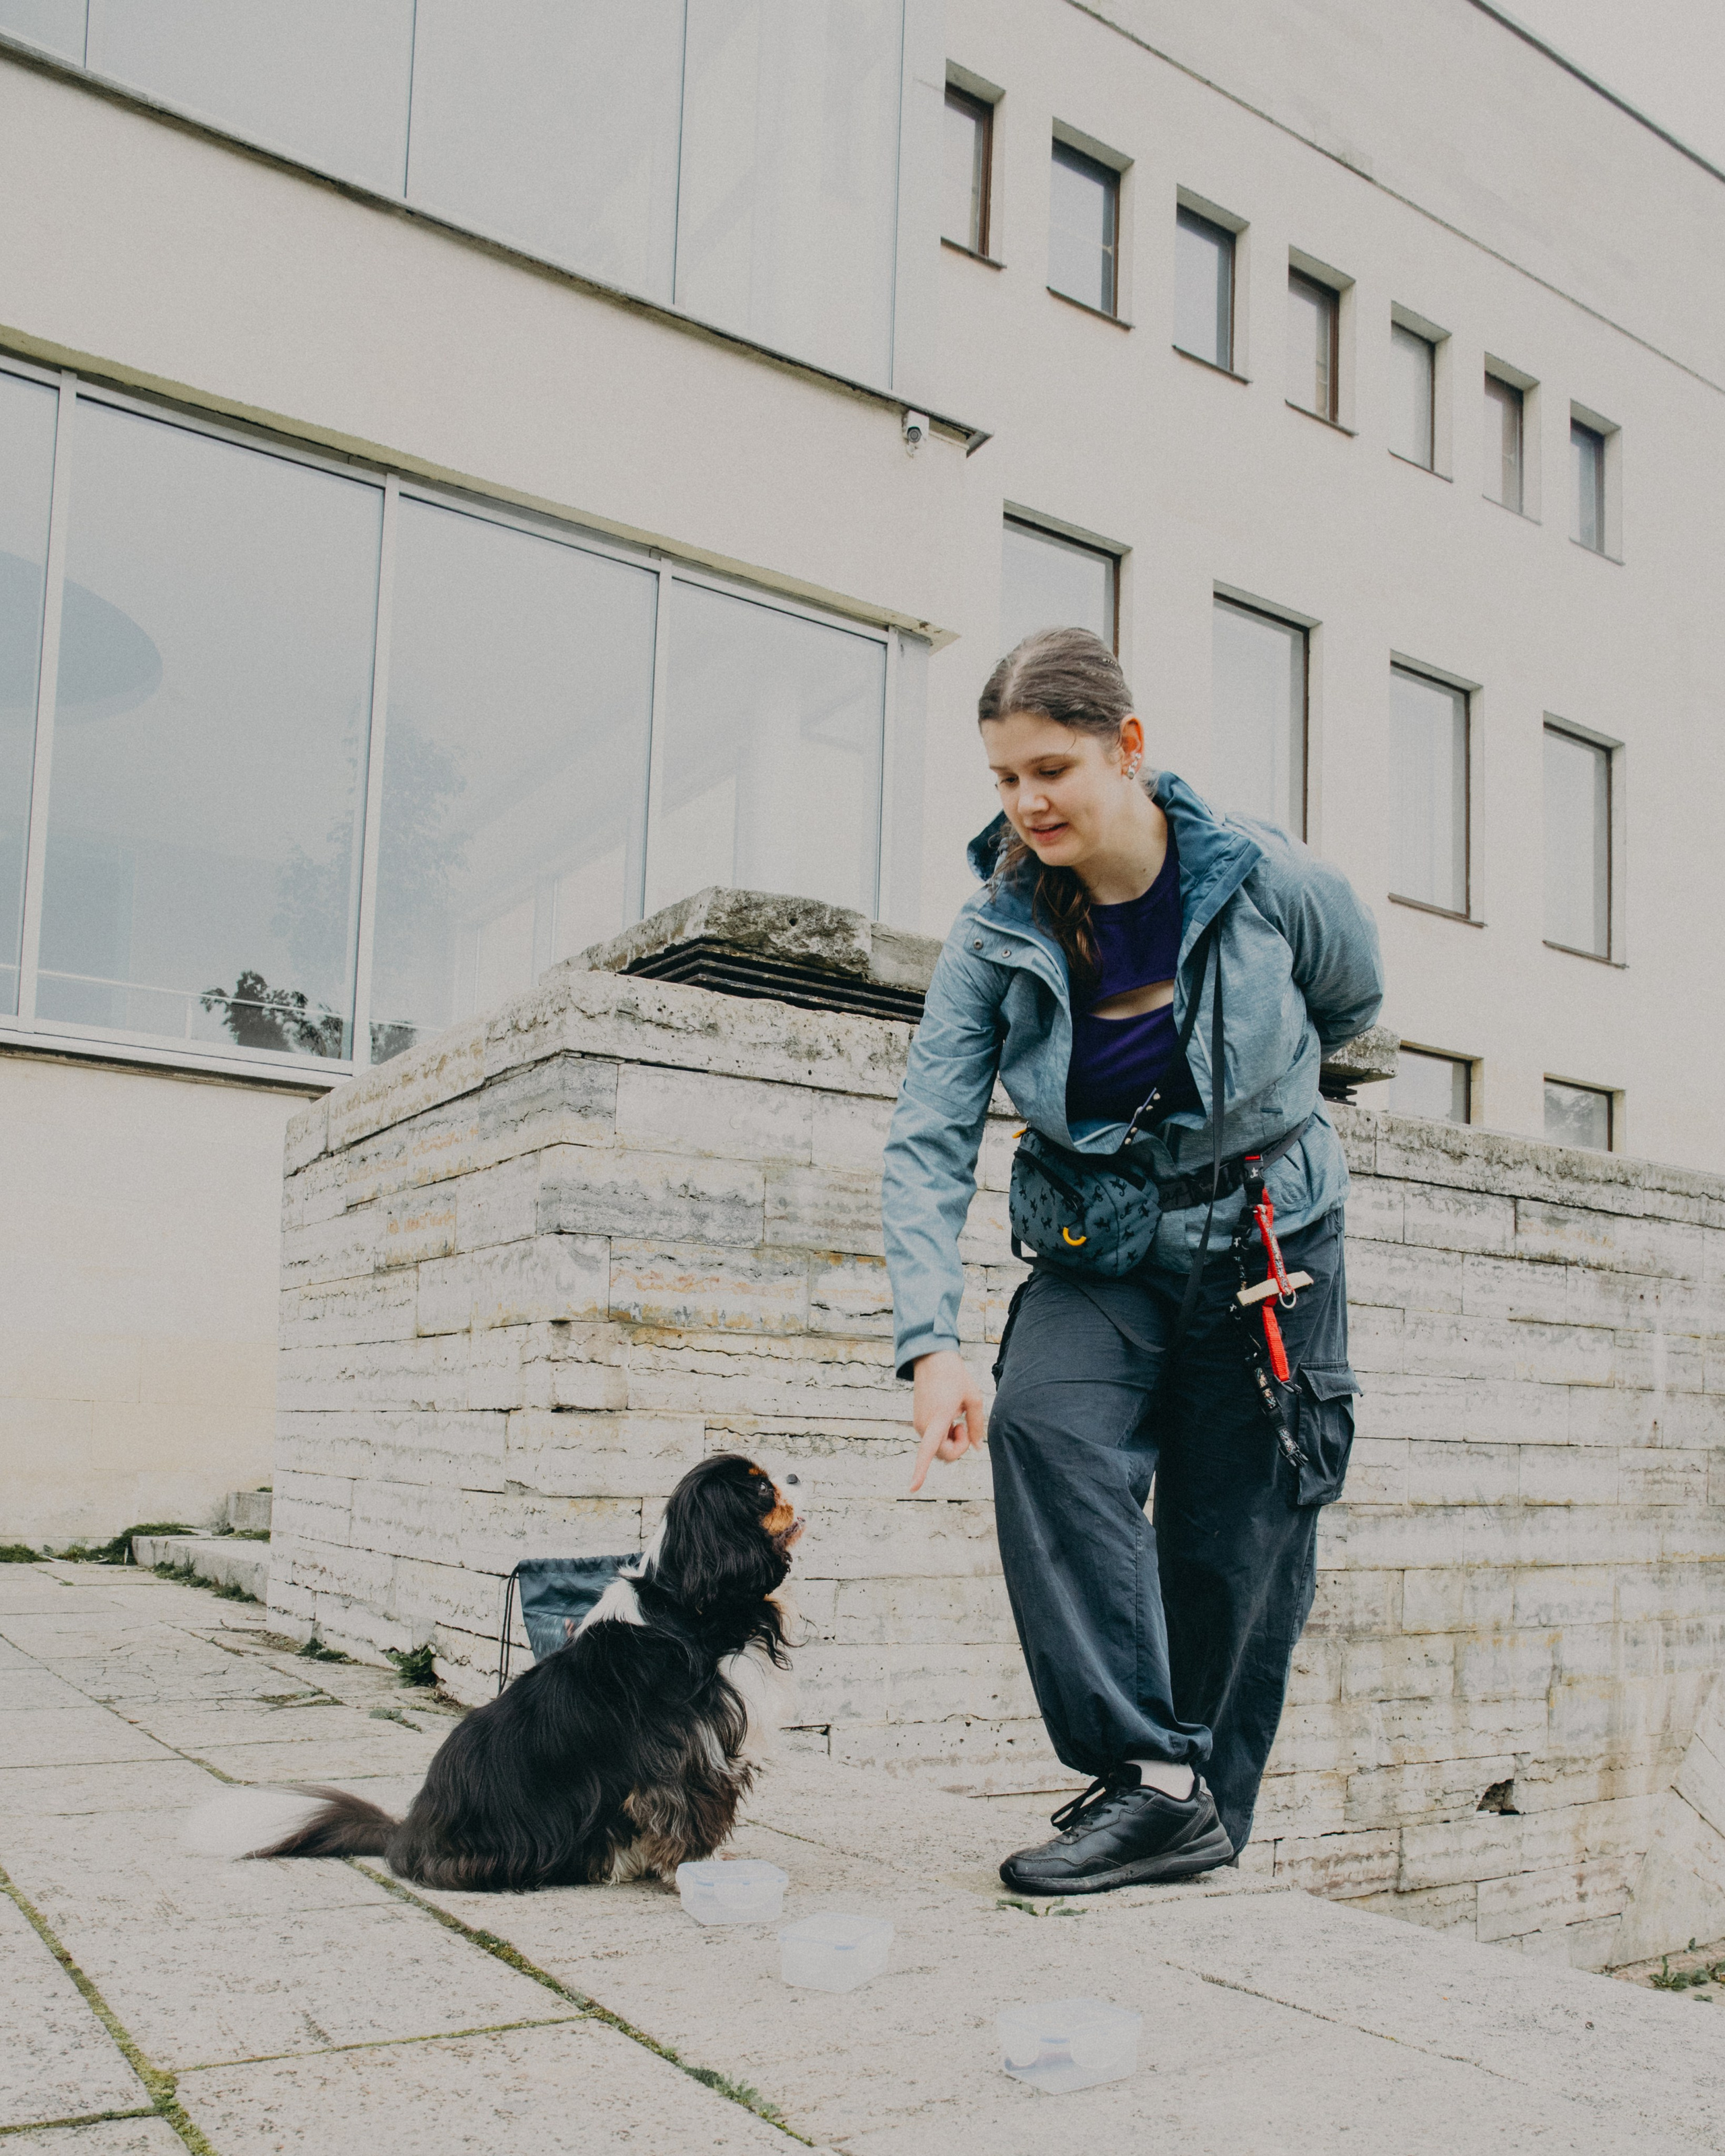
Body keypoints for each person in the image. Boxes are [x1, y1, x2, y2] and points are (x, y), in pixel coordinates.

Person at [881, 626, 1383, 1894]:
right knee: (1042, 1426)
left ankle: (1194, 1809)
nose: (1026, 804)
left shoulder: (1267, 877)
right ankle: (1147, 1776)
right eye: (1004, 780)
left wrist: (1251, 1120)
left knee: (1233, 1543)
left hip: (1274, 1248)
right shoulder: (997, 928)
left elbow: (1352, 1003)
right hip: (1099, 1244)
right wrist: (932, 1345)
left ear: (1130, 750)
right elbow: (931, 1132)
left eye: (1050, 770)